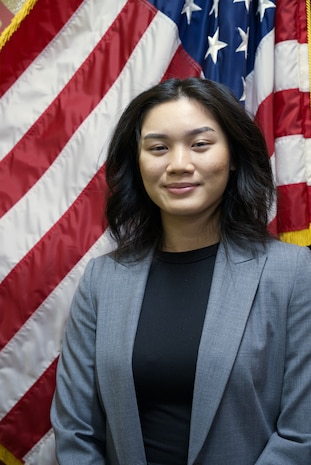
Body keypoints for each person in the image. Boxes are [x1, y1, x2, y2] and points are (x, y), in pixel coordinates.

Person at [51, 77, 311, 465]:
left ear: (234, 155)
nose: (178, 164)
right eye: (158, 148)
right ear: (137, 163)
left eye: (200, 144)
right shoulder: (102, 279)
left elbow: (300, 435)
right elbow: (76, 431)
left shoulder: (292, 273)